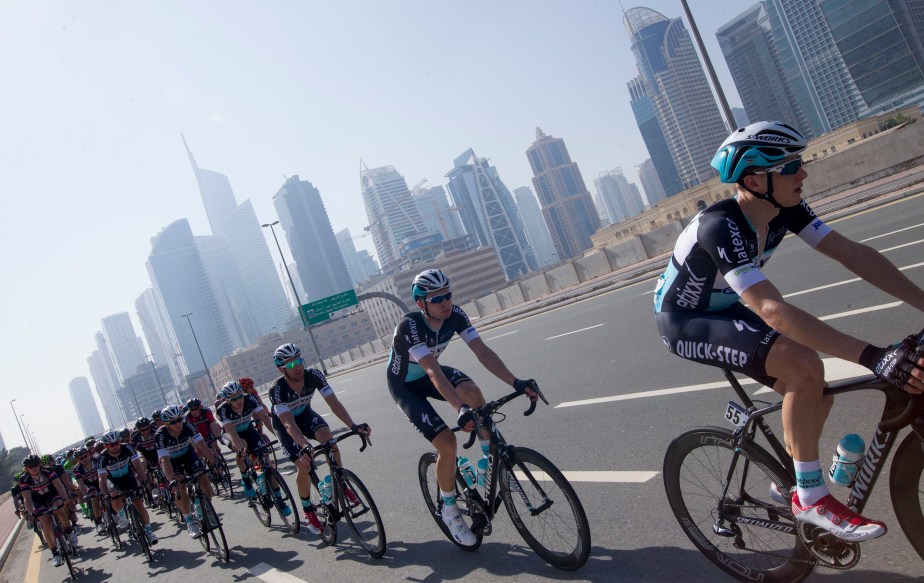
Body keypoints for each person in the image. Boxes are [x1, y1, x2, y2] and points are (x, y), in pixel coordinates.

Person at [653, 120, 924, 542]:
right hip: (686, 320)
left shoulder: (786, 209)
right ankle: (811, 499)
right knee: (803, 365)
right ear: (756, 179)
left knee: (815, 387)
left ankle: (789, 485)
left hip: (730, 309)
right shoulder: (719, 225)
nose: (804, 173)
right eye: (791, 166)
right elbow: (770, 308)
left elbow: (853, 255)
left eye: (801, 162)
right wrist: (875, 356)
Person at [387, 268, 539, 546]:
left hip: (430, 374)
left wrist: (515, 382)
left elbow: (481, 351)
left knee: (473, 392)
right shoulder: (409, 327)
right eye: (437, 299)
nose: (446, 302)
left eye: (448, 295)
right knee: (447, 442)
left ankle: (487, 461)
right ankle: (450, 511)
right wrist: (459, 409)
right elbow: (433, 370)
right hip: (406, 387)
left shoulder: (455, 314)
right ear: (421, 303)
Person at [268, 343, 369, 534]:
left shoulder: (314, 375)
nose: (297, 367)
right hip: (285, 425)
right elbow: (289, 423)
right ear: (281, 369)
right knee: (304, 464)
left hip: (305, 415)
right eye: (291, 365)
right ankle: (308, 511)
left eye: (299, 361)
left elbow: (334, 403)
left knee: (328, 438)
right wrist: (304, 445)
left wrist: (353, 426)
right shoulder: (277, 390)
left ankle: (340, 482)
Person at [215, 381, 285, 511]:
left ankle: (278, 498)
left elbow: (265, 418)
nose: (238, 400)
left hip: (248, 430)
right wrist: (241, 449)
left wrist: (280, 437)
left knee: (267, 462)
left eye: (239, 395)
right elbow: (232, 433)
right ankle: (245, 478)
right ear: (227, 399)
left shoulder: (250, 399)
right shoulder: (222, 410)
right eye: (234, 398)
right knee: (241, 446)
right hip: (231, 434)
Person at [155, 404, 219, 539]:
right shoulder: (161, 435)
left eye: (179, 420)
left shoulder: (188, 426)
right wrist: (171, 479)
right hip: (172, 460)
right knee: (180, 486)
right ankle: (189, 521)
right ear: (166, 424)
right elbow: (165, 460)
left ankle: (208, 509)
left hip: (187, 454)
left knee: (203, 476)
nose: (178, 424)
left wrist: (214, 462)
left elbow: (202, 445)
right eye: (173, 422)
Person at [96, 429, 158, 545]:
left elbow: (138, 465)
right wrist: (105, 495)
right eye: (111, 444)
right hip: (113, 479)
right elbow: (102, 478)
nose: (115, 446)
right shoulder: (102, 458)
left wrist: (143, 480)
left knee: (139, 503)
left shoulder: (127, 448)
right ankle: (121, 515)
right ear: (106, 446)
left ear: (120, 441)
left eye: (117, 443)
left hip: (127, 476)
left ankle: (149, 532)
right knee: (114, 495)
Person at [19, 454, 76, 567]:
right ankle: (55, 553)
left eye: (36, 465)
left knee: (59, 509)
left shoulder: (48, 471)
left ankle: (69, 531)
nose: (34, 468)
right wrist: (30, 512)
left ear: (39, 464)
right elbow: (27, 498)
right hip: (38, 500)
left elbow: (59, 485)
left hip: (52, 494)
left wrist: (65, 498)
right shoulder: (24, 479)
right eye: (31, 466)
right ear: (27, 469)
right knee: (45, 522)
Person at [71, 447, 105, 535]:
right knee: (94, 497)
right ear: (77, 459)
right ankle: (99, 522)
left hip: (100, 480)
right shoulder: (77, 469)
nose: (84, 459)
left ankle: (114, 512)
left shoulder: (97, 459)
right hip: (89, 485)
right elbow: (81, 484)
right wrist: (86, 495)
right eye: (81, 458)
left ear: (88, 454)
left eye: (85, 456)